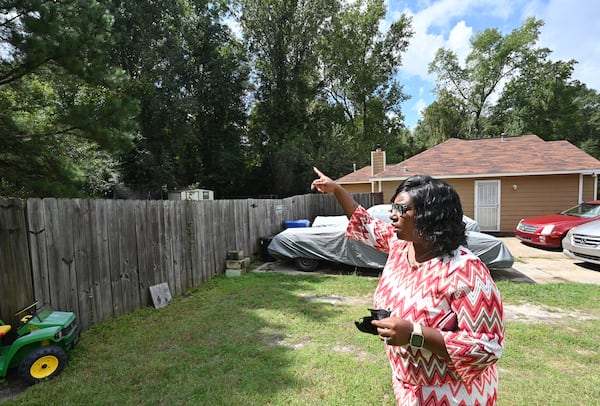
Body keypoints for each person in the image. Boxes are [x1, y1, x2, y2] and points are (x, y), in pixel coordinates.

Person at [311, 167, 505, 406]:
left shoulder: (466, 272)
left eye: (402, 209)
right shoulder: (402, 247)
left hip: (453, 395)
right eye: (394, 208)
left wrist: (415, 334)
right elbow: (366, 224)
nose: (393, 215)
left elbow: (486, 347)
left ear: (431, 215)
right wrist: (337, 190)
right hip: (408, 389)